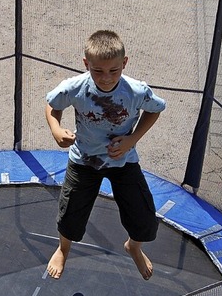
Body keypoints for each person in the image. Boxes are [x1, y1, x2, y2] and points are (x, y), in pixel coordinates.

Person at [45, 29, 165, 280]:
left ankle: (134, 246)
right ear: (86, 64)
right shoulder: (74, 87)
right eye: (97, 71)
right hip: (84, 160)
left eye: (114, 70)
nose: (106, 78)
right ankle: (63, 249)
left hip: (123, 160)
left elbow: (155, 110)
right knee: (70, 215)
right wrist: (56, 129)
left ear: (124, 63)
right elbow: (52, 106)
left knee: (143, 217)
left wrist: (132, 139)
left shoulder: (136, 91)